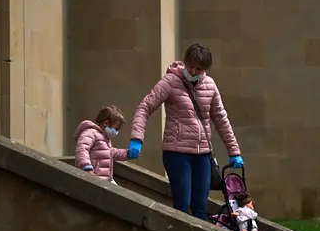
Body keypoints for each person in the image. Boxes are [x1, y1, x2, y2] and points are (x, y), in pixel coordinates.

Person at [128, 43, 244, 221]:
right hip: (177, 153)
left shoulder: (210, 86)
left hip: (203, 154)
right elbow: (145, 107)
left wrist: (234, 152)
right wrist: (137, 138)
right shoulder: (170, 82)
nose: (194, 71)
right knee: (182, 205)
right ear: (185, 62)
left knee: (200, 206)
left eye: (199, 69)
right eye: (191, 66)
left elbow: (221, 119)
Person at [74, 105, 129, 183]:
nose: (117, 132)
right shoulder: (90, 133)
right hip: (92, 178)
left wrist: (128, 153)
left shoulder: (105, 138)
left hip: (104, 179)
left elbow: (111, 152)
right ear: (106, 123)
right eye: (116, 128)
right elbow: (82, 149)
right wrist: (86, 167)